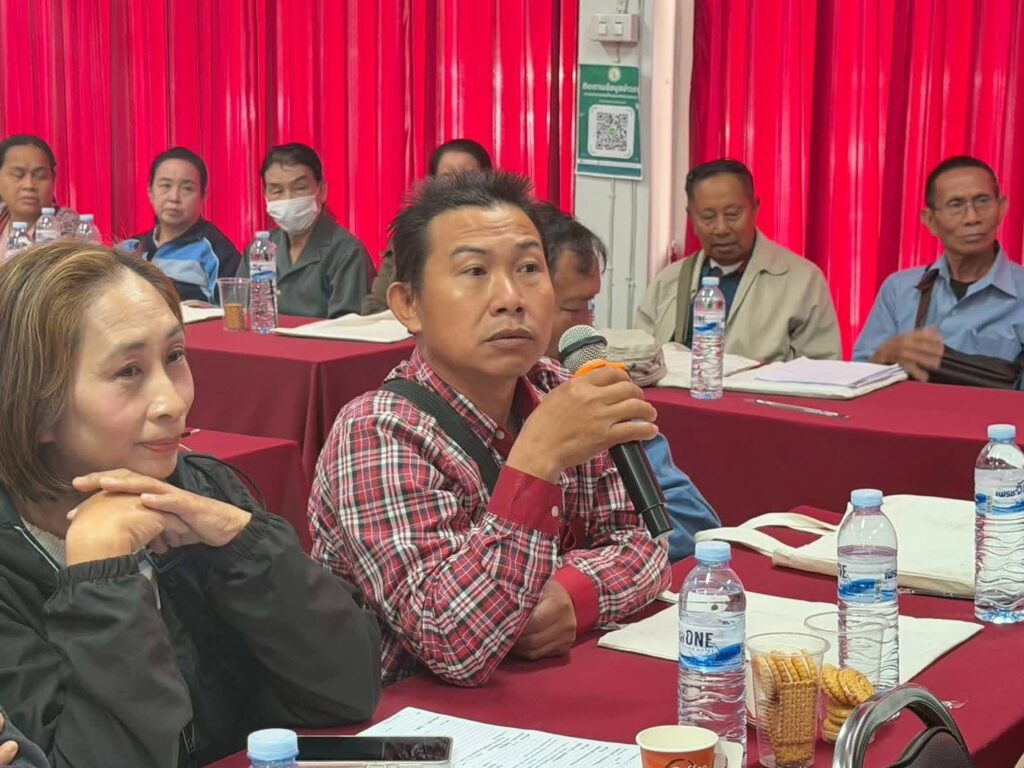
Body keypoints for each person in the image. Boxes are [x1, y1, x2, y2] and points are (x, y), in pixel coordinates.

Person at [0, 242, 381, 767]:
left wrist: (244, 542)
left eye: (175, 356)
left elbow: (347, 690)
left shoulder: (199, 491)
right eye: (128, 371)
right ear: (34, 406)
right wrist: (101, 573)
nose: (174, 402)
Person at [310, 171, 670, 687]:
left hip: (543, 695)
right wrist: (537, 459)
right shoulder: (376, 433)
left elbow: (647, 543)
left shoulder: (559, 389)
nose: (511, 298)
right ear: (409, 305)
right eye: (475, 271)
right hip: (410, 715)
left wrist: (576, 594)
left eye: (529, 268)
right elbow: (452, 641)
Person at [535, 204, 720, 561]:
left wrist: (612, 557)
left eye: (590, 306)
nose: (586, 326)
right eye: (572, 308)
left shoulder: (597, 390)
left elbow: (693, 523)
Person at [635, 159, 841, 362]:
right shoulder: (669, 281)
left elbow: (823, 370)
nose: (721, 229)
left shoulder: (803, 281)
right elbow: (638, 360)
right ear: (692, 218)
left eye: (732, 215)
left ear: (755, 209)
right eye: (708, 217)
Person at [853, 156, 1024, 388]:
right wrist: (885, 355)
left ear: (1002, 208)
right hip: (908, 412)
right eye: (956, 205)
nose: (972, 218)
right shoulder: (899, 290)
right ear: (930, 220)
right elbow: (856, 386)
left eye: (983, 201)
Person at [238, 143, 375, 318]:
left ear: (322, 191)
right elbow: (240, 312)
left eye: (300, 188)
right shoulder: (259, 249)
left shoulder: (347, 252)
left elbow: (346, 327)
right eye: (277, 191)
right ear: (265, 196)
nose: (288, 199)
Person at [361, 138, 493, 314]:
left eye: (467, 176)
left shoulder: (501, 231)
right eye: (447, 178)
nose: (457, 184)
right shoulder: (412, 231)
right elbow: (377, 302)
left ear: (487, 179)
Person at [119, 147, 241, 302]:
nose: (174, 198)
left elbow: (234, 313)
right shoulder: (128, 249)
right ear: (150, 191)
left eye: (187, 188)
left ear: (203, 196)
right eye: (166, 186)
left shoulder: (218, 254)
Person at [0, 135, 78, 260]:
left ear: (53, 179)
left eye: (40, 176)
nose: (29, 185)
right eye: (18, 175)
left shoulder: (76, 234)